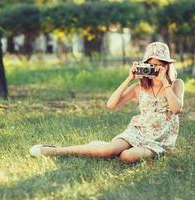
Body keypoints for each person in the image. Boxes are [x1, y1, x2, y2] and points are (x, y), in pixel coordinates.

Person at [29, 42, 185, 163]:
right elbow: (111, 105)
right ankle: (55, 151)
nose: (156, 70)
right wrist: (129, 78)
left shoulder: (176, 84)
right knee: (107, 151)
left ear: (167, 66)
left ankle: (98, 147)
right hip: (138, 131)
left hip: (159, 139)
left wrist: (164, 82)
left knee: (127, 157)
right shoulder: (139, 88)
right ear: (146, 65)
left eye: (160, 65)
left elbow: (176, 109)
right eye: (152, 66)